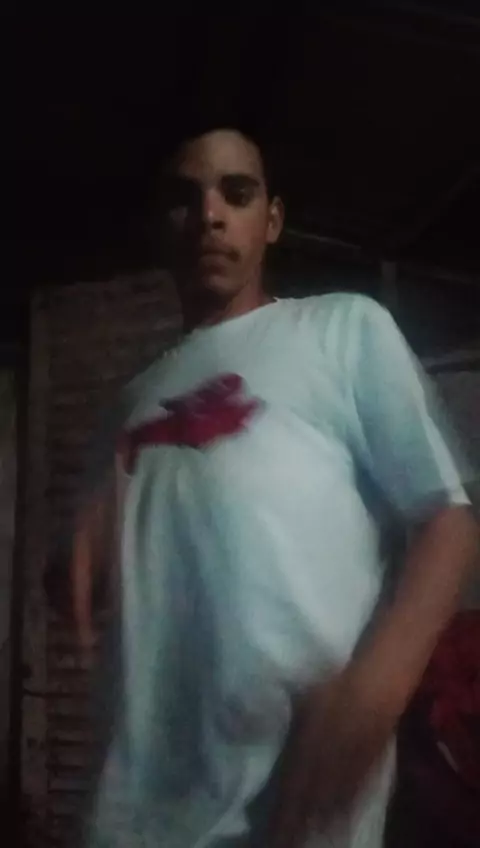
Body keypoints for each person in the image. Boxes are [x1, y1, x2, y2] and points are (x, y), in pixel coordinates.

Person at [72, 124, 478, 848]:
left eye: (237, 193)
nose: (210, 216)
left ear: (273, 220)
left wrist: (373, 696)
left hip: (293, 802)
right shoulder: (131, 400)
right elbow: (87, 587)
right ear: (162, 228)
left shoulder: (340, 329)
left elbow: (448, 518)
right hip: (130, 810)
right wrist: (85, 537)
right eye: (185, 199)